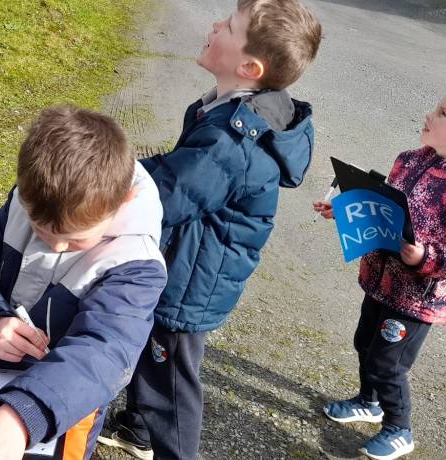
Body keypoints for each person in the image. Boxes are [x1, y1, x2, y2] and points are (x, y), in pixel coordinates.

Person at [99, 1, 322, 458]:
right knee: (152, 352)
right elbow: (180, 170)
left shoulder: (232, 140)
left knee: (171, 381)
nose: (215, 24)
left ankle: (174, 449)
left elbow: (170, 194)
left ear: (249, 67)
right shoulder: (229, 111)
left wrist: (105, 181)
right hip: (188, 260)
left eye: (229, 26)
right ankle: (139, 429)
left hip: (191, 280)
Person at [0, 105, 167, 460]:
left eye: (74, 239)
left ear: (124, 201)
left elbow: (103, 352)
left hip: (62, 413)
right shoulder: (26, 202)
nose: (56, 247)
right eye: (40, 231)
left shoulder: (136, 264)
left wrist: (21, 417)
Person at [313, 83, 446, 460]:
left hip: (419, 297)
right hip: (382, 279)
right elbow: (389, 210)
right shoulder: (410, 160)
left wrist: (427, 257)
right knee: (364, 343)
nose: (429, 115)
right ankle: (368, 402)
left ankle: (398, 428)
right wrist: (346, 210)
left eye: (442, 113)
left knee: (387, 363)